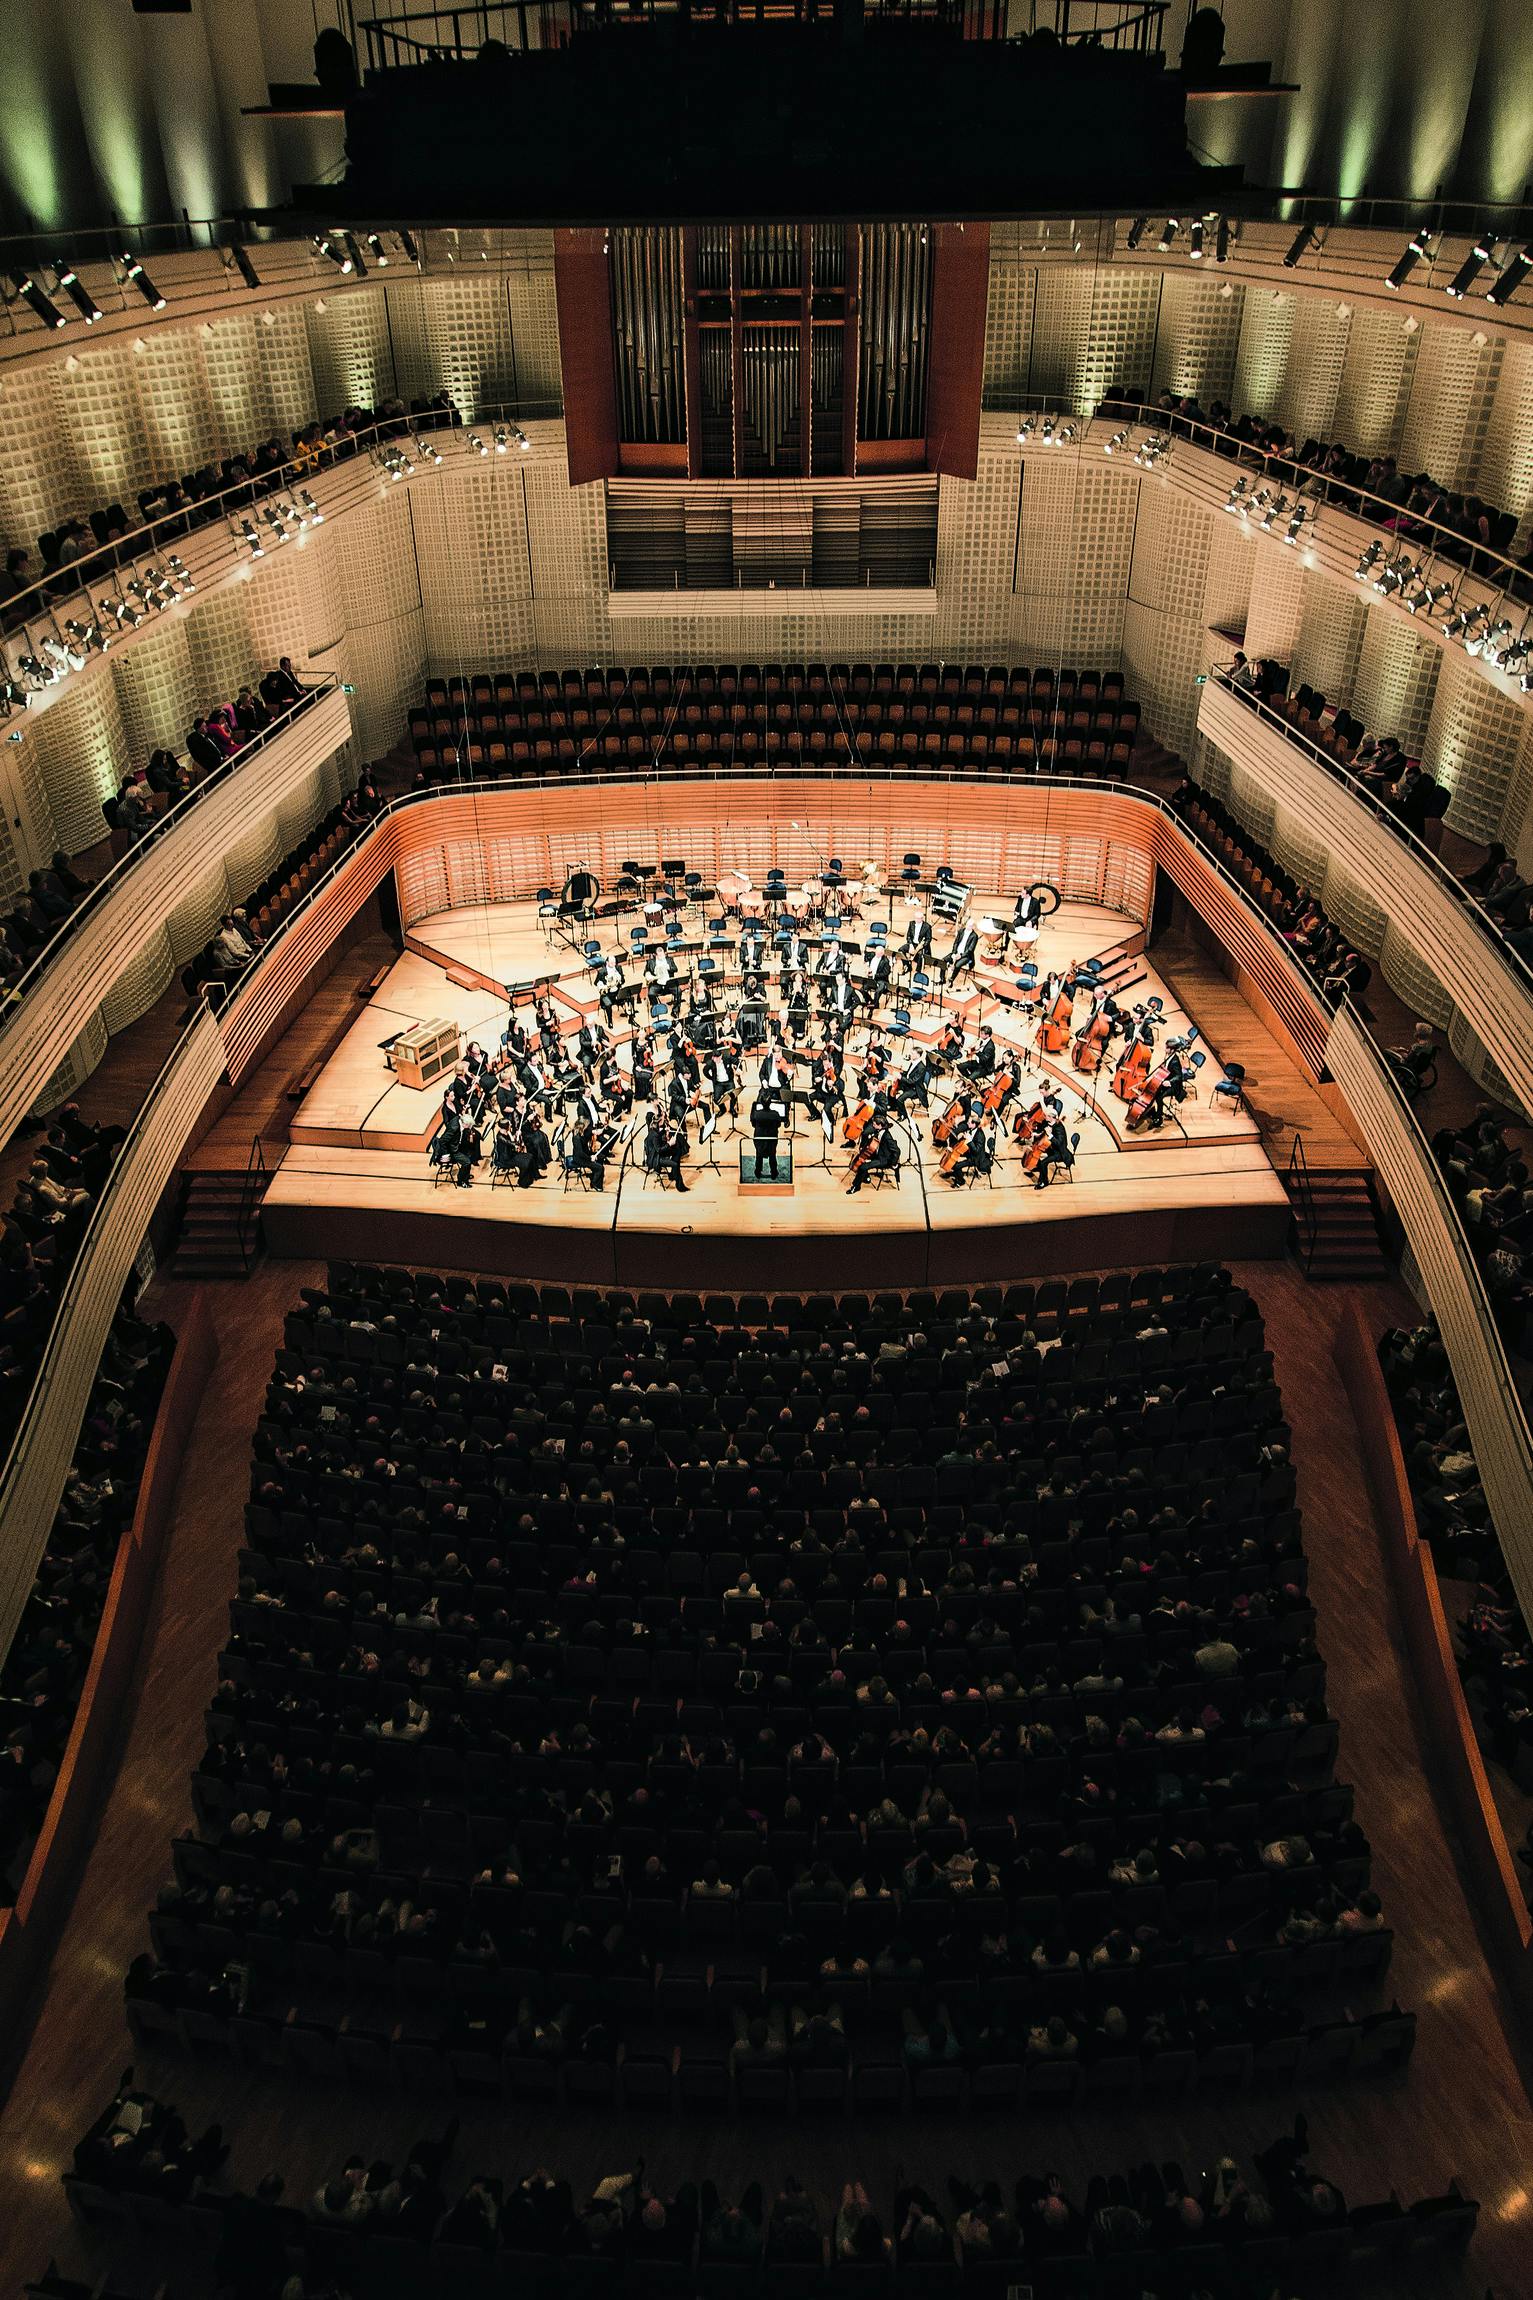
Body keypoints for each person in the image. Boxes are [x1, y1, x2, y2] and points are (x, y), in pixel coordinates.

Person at [750, 1088, 786, 1180]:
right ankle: (774, 1172)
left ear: (761, 1103)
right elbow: (778, 1125)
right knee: (772, 1155)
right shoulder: (775, 1114)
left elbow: (753, 1124)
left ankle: (758, 1172)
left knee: (759, 1155)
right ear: (770, 1103)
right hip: (772, 1139)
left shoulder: (756, 1114)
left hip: (759, 1139)